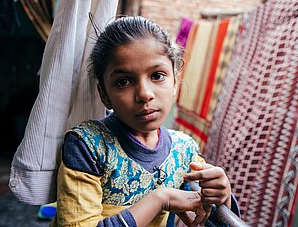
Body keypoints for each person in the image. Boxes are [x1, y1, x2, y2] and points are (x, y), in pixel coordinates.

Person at [51, 16, 240, 227]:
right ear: (104, 94)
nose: (144, 94)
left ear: (175, 81)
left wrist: (222, 195)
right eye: (123, 82)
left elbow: (211, 217)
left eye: (157, 76)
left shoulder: (184, 151)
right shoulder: (88, 146)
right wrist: (160, 199)